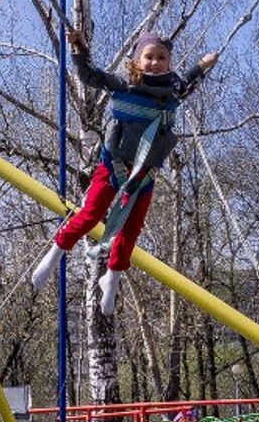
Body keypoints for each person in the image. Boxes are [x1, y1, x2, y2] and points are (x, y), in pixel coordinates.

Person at [30, 27, 218, 314]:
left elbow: (191, 79)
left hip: (144, 175)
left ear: (169, 62)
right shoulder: (124, 85)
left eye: (162, 58)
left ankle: (113, 277)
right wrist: (79, 48)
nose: (155, 62)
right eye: (149, 56)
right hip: (113, 166)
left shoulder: (173, 92)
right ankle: (56, 252)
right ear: (137, 60)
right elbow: (89, 77)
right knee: (90, 215)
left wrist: (204, 65)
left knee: (131, 230)